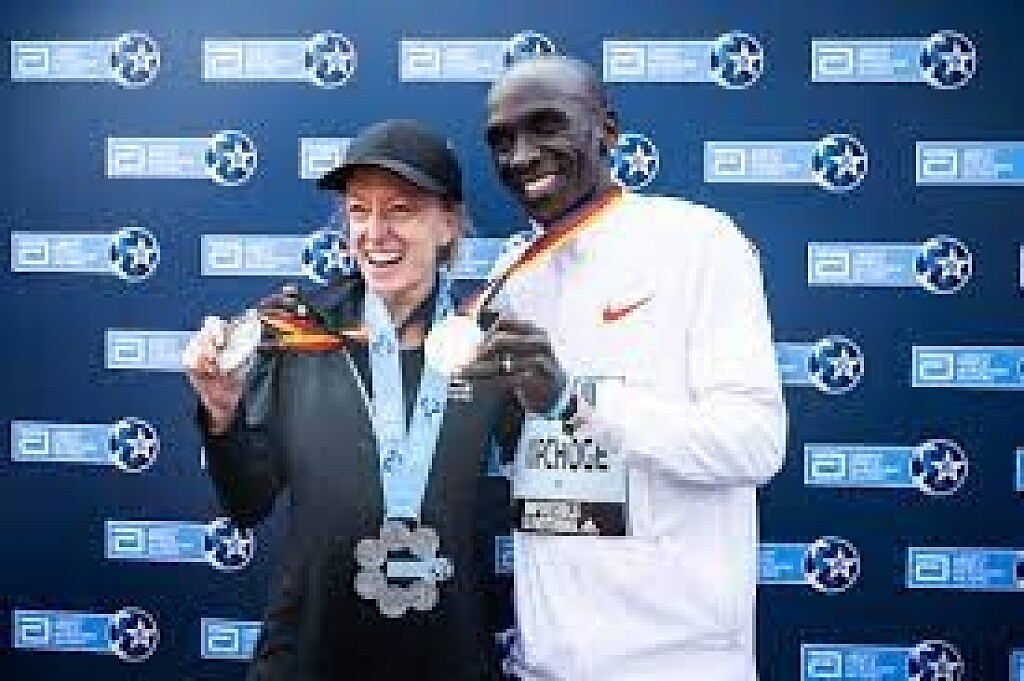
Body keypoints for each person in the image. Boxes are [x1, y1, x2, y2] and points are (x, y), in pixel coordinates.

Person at [457, 55, 787, 680]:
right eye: (501, 140)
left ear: (607, 129)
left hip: (672, 663)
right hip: (542, 663)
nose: (521, 156)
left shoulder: (698, 242)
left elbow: (754, 443)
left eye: (546, 126)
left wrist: (577, 402)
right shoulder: (510, 275)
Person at [184, 119, 516, 681]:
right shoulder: (299, 332)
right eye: (360, 210)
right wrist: (221, 412)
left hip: (447, 653)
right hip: (313, 652)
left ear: (449, 224)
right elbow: (247, 503)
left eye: (401, 209)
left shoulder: (488, 347)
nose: (375, 232)